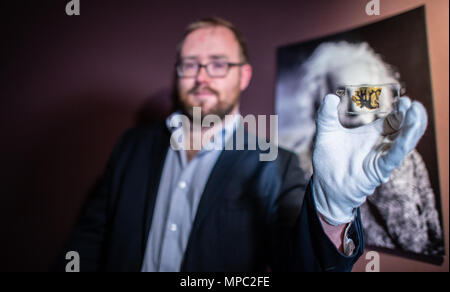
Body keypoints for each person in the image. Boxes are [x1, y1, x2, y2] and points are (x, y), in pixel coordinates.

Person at [57, 18, 428, 272]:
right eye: (190, 64)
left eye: (218, 64)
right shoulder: (132, 146)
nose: (201, 76)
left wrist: (334, 211)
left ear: (244, 74)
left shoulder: (277, 164)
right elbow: (91, 235)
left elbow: (299, 266)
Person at [276, 41, 443, 256]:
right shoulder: (299, 167)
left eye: (365, 92)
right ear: (319, 99)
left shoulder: (405, 157)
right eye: (342, 94)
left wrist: (392, 179)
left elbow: (427, 239)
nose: (356, 105)